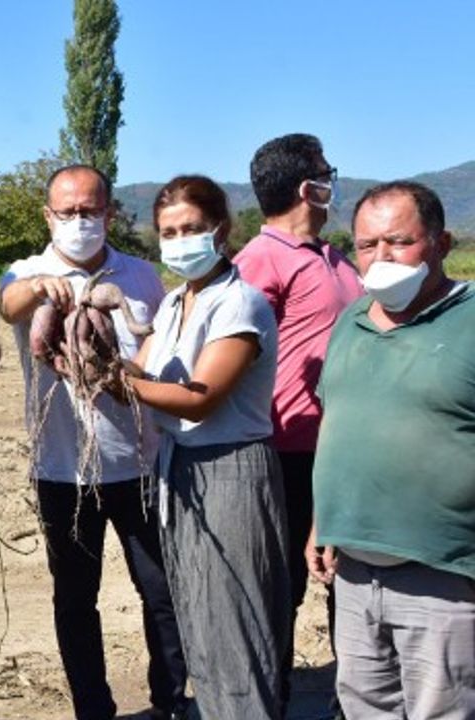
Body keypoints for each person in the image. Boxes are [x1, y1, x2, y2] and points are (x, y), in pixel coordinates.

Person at [0, 164, 188, 720]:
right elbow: (8, 304)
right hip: (62, 473)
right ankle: (93, 708)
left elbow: (155, 355)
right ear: (48, 216)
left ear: (109, 212)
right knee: (76, 599)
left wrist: (115, 373)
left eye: (90, 210)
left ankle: (169, 702)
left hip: (140, 464)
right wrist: (40, 290)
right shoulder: (26, 273)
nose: (79, 221)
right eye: (68, 212)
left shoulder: (142, 277)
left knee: (161, 594)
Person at [125, 175, 289, 718]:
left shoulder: (239, 305)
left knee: (236, 624)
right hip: (181, 471)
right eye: (168, 231)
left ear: (220, 230)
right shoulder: (174, 304)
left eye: (191, 228)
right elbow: (141, 372)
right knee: (200, 620)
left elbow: (198, 399)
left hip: (230, 471)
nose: (179, 240)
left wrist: (112, 380)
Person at [309, 181, 475, 718]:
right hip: (356, 573)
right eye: (366, 245)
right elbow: (339, 423)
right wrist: (323, 522)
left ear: (441, 243)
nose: (380, 257)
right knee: (365, 706)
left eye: (399, 242)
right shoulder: (351, 321)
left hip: (444, 575)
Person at [235, 134, 363, 709]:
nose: (331, 181)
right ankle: (274, 698)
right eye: (325, 172)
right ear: (307, 187)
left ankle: (353, 695)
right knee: (282, 585)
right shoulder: (260, 259)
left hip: (346, 449)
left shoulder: (336, 256)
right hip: (287, 449)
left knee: (351, 580)